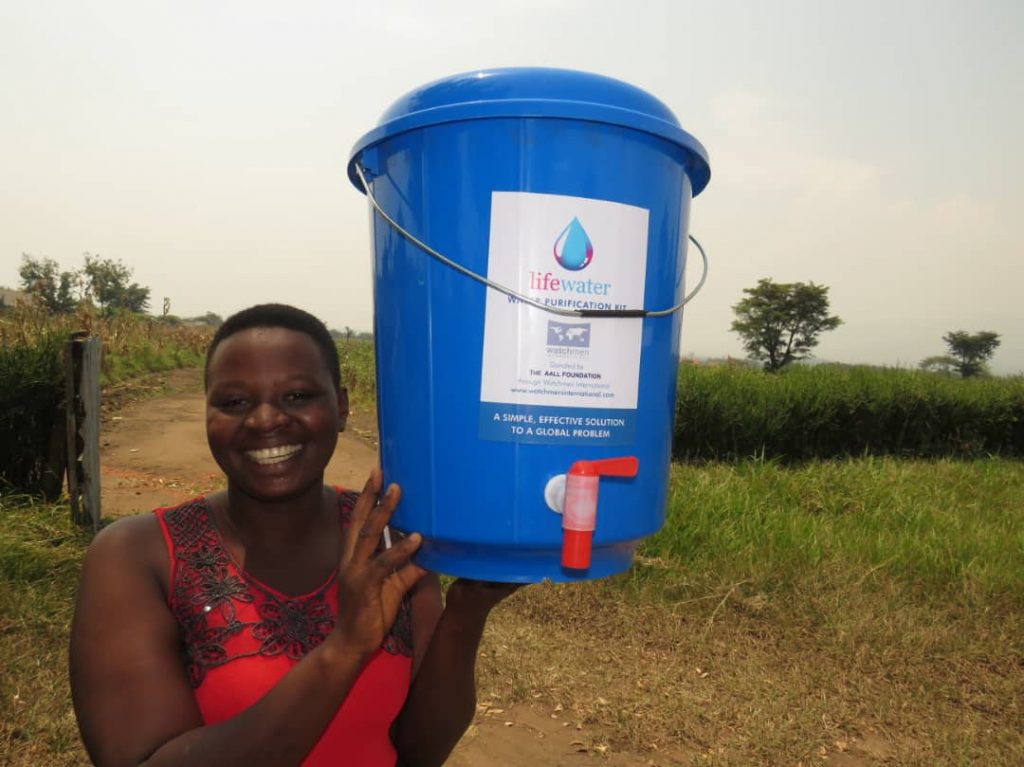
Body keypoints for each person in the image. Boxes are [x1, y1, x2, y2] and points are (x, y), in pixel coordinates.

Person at [70, 303, 519, 767]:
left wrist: (467, 610)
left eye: (298, 396)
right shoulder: (137, 556)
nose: (265, 420)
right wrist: (343, 649)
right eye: (235, 402)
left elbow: (419, 751)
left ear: (341, 407)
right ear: (207, 415)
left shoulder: (385, 540)